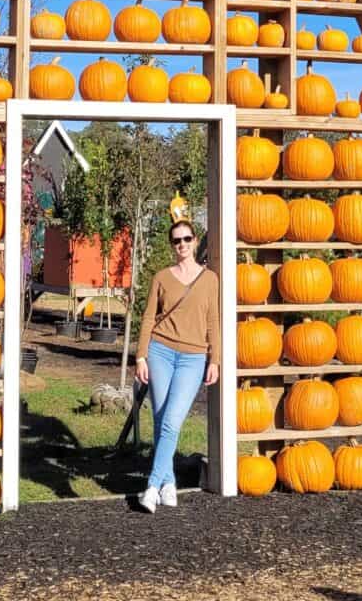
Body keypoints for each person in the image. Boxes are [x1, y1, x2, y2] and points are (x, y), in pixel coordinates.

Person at [135, 219, 220, 512]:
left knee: (172, 421)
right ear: (172, 245)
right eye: (176, 241)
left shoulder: (210, 280)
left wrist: (215, 359)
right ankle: (169, 483)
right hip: (160, 351)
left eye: (186, 239)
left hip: (193, 358)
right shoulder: (162, 277)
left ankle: (151, 485)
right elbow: (148, 317)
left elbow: (213, 322)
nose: (182, 245)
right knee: (161, 420)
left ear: (195, 241)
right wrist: (141, 355)